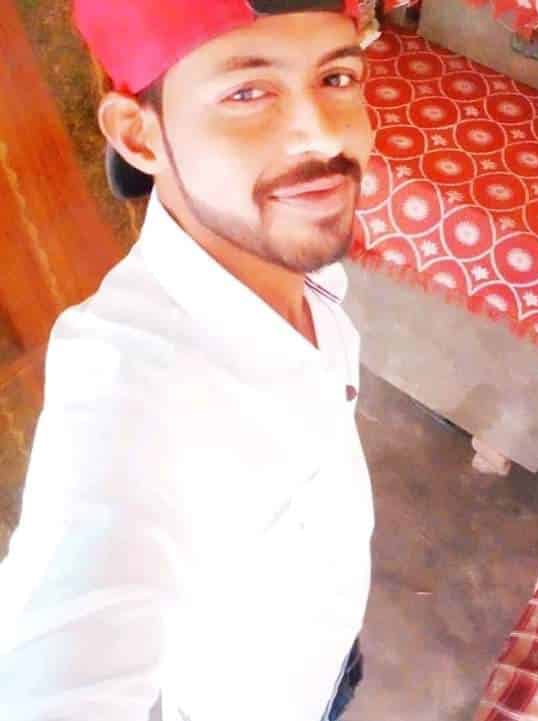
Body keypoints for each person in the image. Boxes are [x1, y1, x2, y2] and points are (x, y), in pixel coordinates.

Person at [0, 2, 376, 720]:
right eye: (247, 92)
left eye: (337, 78)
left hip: (326, 660)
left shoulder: (296, 267)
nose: (325, 133)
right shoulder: (127, 388)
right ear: (139, 136)